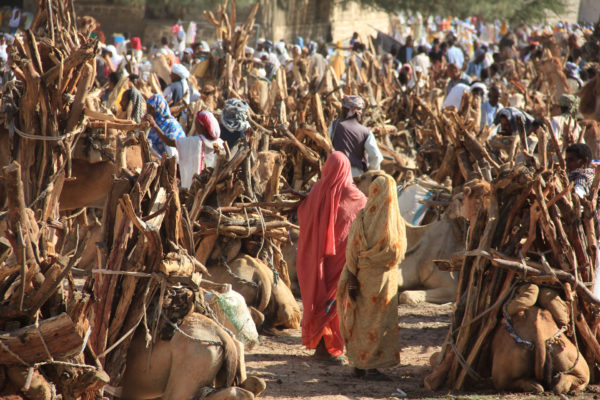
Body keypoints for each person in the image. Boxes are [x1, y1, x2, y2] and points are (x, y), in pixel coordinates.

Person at [296, 152, 367, 364]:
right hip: (341, 262)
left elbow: (303, 214)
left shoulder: (317, 189)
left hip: (316, 260)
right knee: (336, 303)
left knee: (319, 300)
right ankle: (330, 348)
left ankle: (321, 346)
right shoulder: (356, 197)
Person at [337, 174, 406, 381]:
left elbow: (352, 248)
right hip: (384, 281)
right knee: (378, 322)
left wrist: (351, 273)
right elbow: (398, 252)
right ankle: (372, 367)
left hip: (361, 278)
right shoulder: (395, 223)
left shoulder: (362, 217)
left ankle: (359, 363)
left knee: (361, 320)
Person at [329, 95, 383, 177]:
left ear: (345, 110)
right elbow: (376, 156)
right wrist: (371, 173)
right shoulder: (366, 132)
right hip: (356, 176)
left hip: (335, 172)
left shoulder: (334, 125)